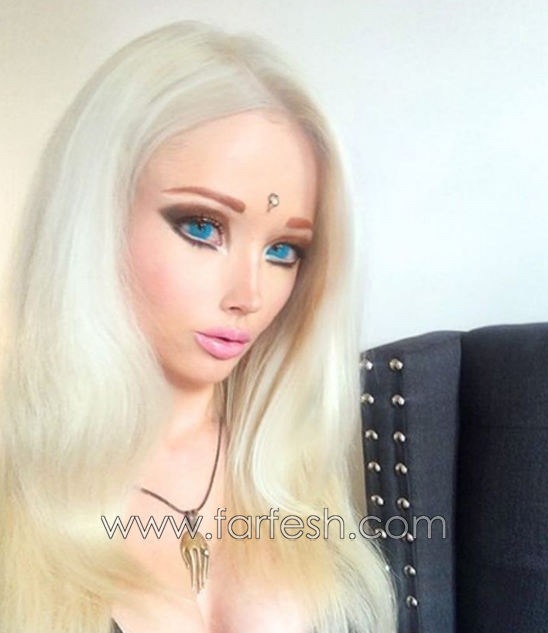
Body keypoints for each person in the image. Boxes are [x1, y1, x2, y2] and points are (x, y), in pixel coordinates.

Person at [0, 20, 398, 633]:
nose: (250, 296)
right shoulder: (20, 477)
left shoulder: (295, 465)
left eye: (284, 250)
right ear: (93, 219)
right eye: (203, 227)